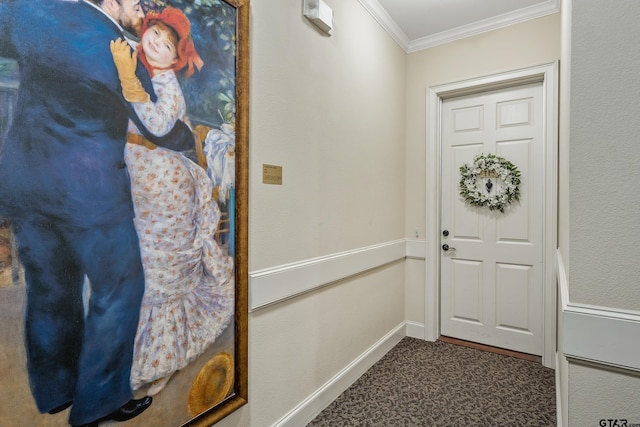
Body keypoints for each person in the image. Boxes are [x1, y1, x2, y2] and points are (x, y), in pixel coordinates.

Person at [0, 1, 195, 426]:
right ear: (112, 3)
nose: (142, 9)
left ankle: (55, 392)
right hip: (89, 194)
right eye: (137, 2)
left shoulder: (31, 13)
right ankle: (99, 403)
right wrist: (188, 138)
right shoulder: (115, 49)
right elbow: (155, 127)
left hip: (24, 182)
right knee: (118, 290)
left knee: (50, 288)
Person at [110, 7, 235, 396]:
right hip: (146, 182)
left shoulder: (164, 82)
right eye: (155, 35)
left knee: (161, 267)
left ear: (175, 57)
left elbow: (161, 125)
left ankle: (162, 357)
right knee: (147, 263)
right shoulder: (141, 68)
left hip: (165, 187)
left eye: (167, 44)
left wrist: (129, 79)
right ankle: (142, 354)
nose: (157, 43)